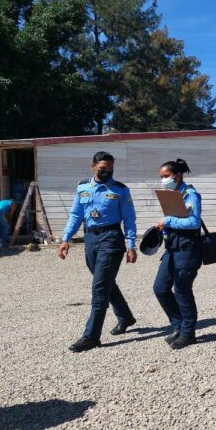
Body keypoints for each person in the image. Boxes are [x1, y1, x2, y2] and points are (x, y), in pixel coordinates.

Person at [58, 151, 137, 353]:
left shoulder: (120, 190)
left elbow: (129, 218)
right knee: (105, 281)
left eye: (110, 169)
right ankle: (125, 317)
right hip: (90, 239)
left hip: (111, 238)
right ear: (93, 166)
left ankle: (91, 336)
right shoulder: (83, 187)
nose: (107, 172)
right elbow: (76, 214)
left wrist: (131, 245)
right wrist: (66, 239)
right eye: (103, 169)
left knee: (100, 287)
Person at [152, 159, 203, 349]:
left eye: (166, 176)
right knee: (160, 288)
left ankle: (188, 333)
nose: (163, 180)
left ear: (177, 175)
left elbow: (194, 223)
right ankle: (178, 325)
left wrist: (168, 221)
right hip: (172, 249)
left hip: (187, 249)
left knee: (182, 290)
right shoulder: (172, 195)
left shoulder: (191, 195)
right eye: (161, 177)